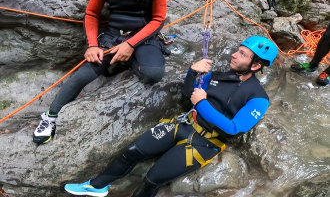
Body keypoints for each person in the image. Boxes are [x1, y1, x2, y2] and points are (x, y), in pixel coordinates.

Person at [63, 36, 278, 197]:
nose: (234, 54)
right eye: (238, 50)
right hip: (183, 124)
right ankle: (97, 186)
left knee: (152, 179)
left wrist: (202, 104)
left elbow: (233, 129)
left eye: (242, 54)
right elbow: (188, 94)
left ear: (256, 65)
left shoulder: (259, 98)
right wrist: (192, 72)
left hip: (205, 143)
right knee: (131, 152)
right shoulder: (218, 77)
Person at [33, 0, 168, 144]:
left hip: (143, 37)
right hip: (114, 36)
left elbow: (159, 19)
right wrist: (92, 45)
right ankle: (50, 116)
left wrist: (130, 45)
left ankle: (125, 61)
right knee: (84, 74)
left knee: (153, 74)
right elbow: (91, 14)